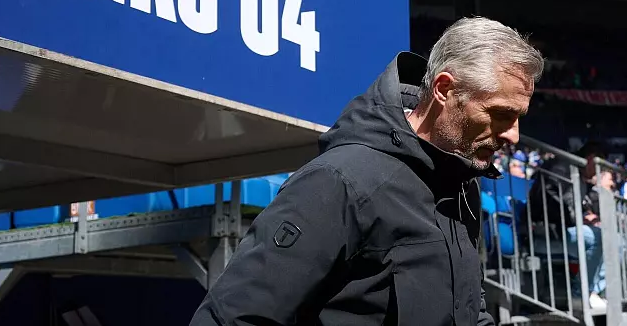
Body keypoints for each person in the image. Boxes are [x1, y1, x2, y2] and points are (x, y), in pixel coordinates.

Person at [189, 17, 544, 326]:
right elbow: (233, 317)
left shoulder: (463, 187)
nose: (513, 135)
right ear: (444, 89)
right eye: (501, 114)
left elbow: (467, 309)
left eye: (519, 117)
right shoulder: (339, 181)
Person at [528, 141, 607, 309]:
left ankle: (594, 291)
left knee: (621, 240)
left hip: (564, 229)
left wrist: (587, 216)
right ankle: (580, 294)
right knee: (600, 237)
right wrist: (578, 218)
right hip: (546, 231)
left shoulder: (580, 177)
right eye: (599, 167)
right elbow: (551, 199)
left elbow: (575, 205)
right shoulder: (562, 167)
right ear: (591, 159)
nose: (598, 173)